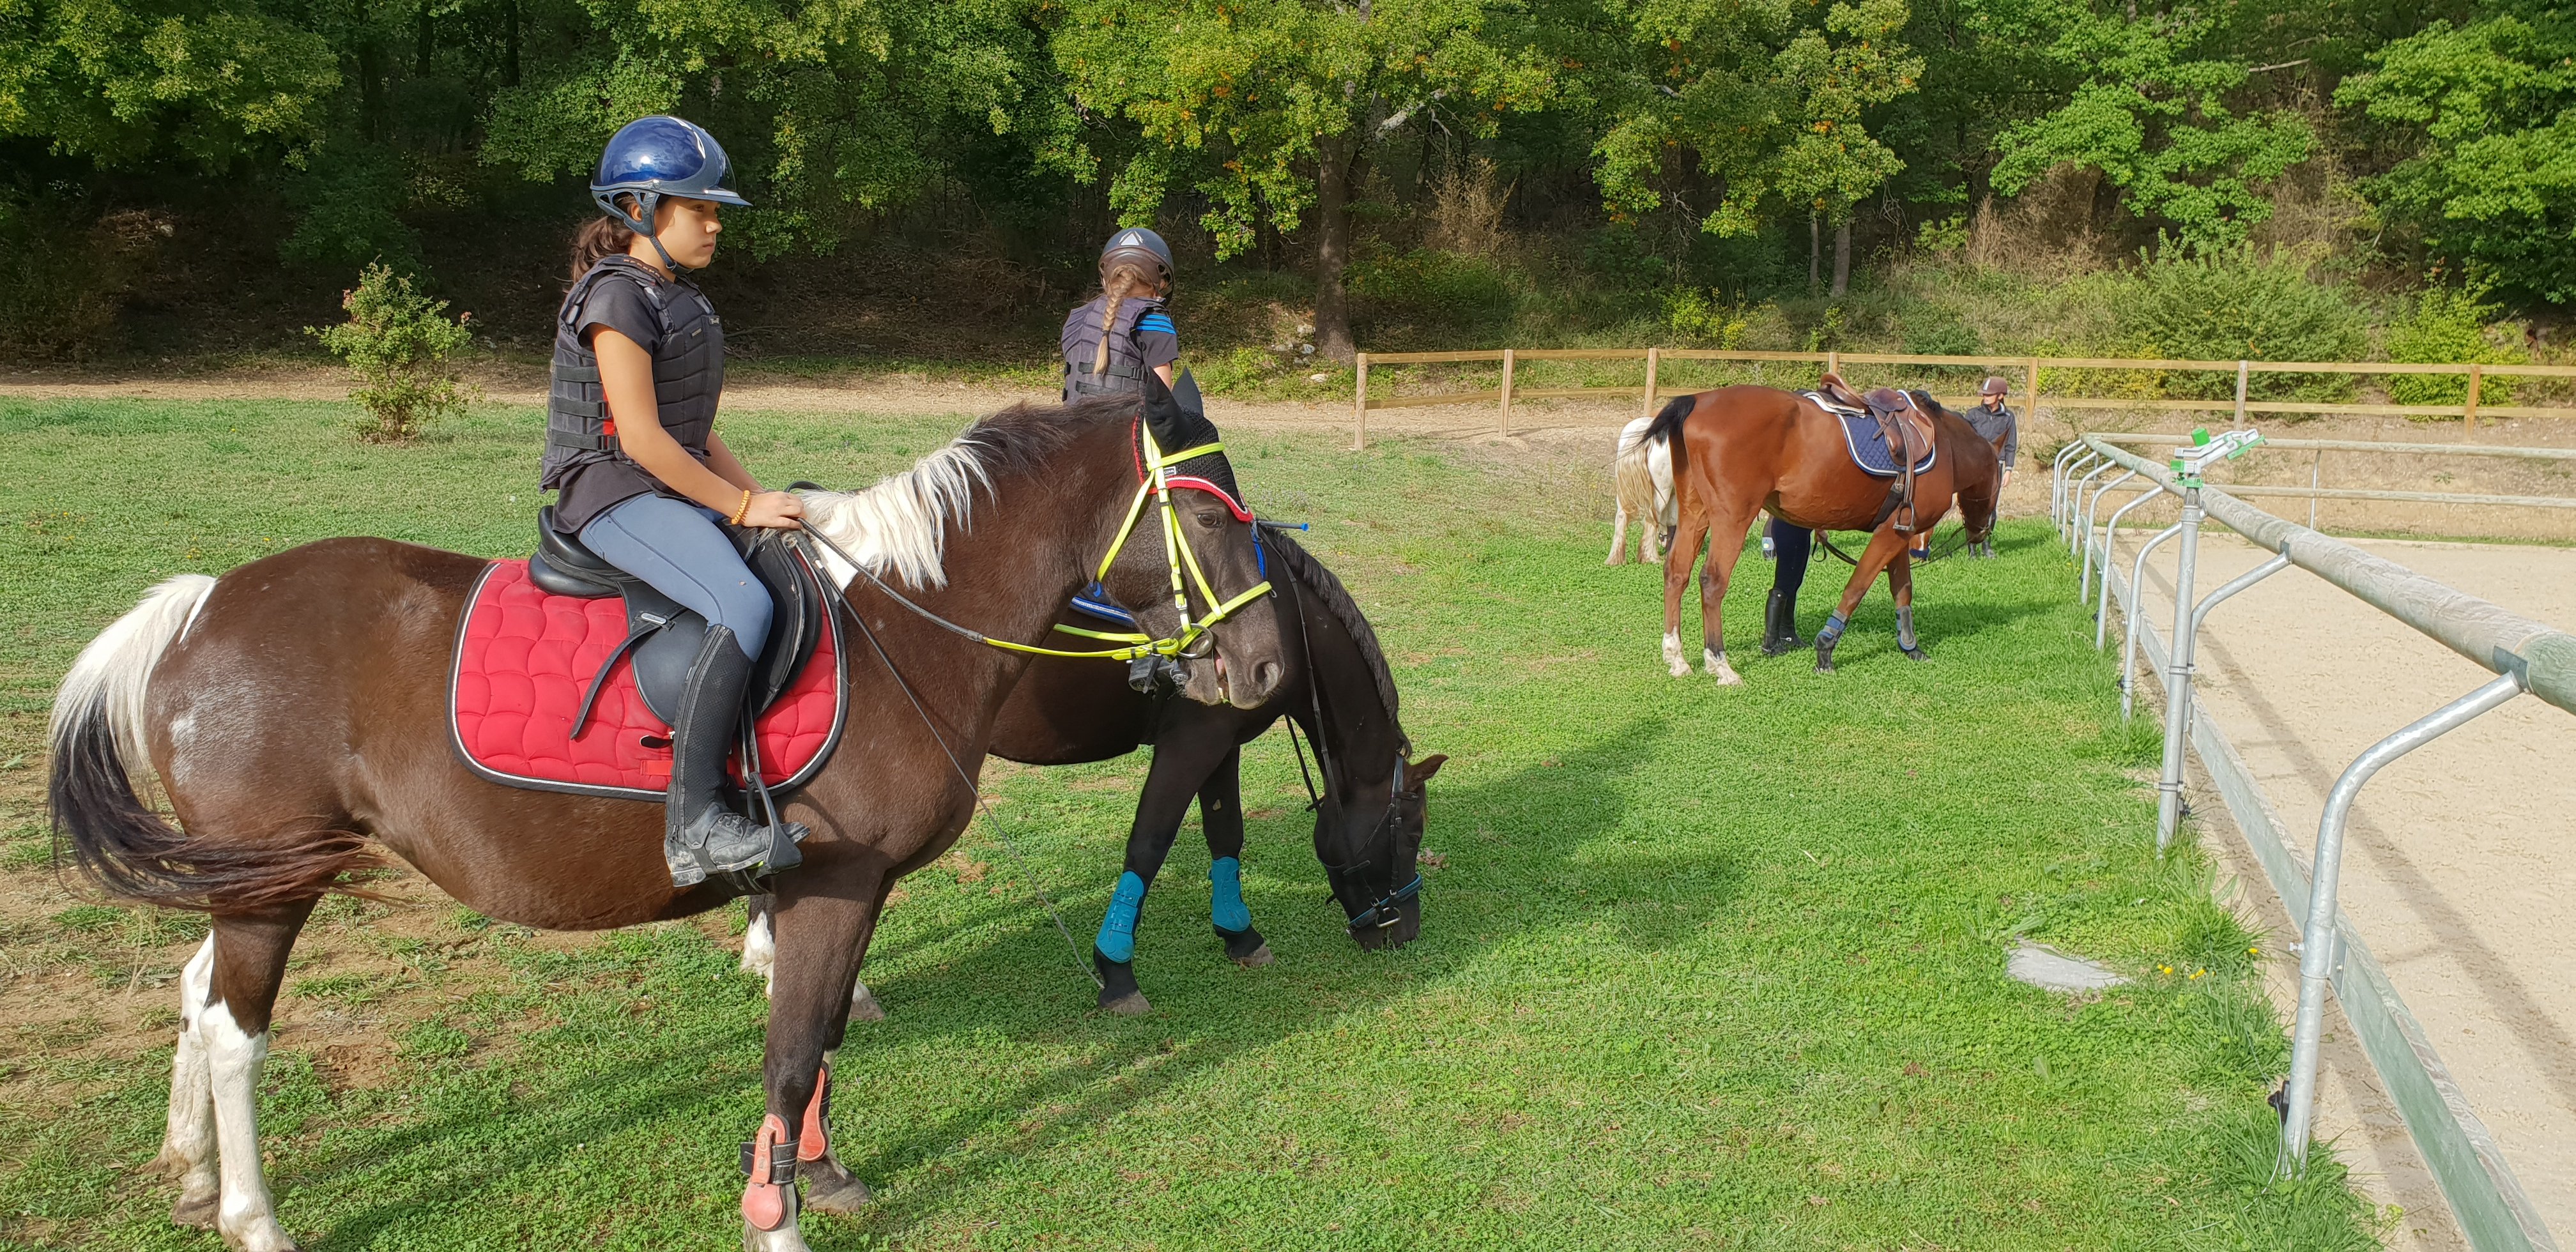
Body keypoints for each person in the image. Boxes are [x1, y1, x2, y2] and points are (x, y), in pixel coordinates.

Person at [540, 114, 808, 890]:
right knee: (741, 605)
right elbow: (646, 443)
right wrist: (737, 509)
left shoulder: (673, 295)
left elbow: (695, 429)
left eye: (716, 211)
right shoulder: (617, 299)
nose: (716, 225)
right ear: (641, 208)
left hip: (663, 479)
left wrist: (760, 497)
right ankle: (693, 824)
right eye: (701, 209)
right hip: (612, 490)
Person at [1062, 227, 1180, 401]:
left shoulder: (1077, 319)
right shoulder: (1153, 319)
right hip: (1127, 427)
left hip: (1071, 427)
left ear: (1105, 279)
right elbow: (1162, 400)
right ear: (1162, 282)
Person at [1965, 375, 2020, 558]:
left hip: (1996, 467)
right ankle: (1971, 548)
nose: (1985, 397)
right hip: (1974, 467)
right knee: (1971, 507)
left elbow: (2011, 444)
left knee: (1991, 508)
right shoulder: (1973, 415)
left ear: (2001, 396)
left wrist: (2009, 469)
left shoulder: (2008, 417)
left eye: (1989, 394)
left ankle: (1986, 545)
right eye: (1984, 393)